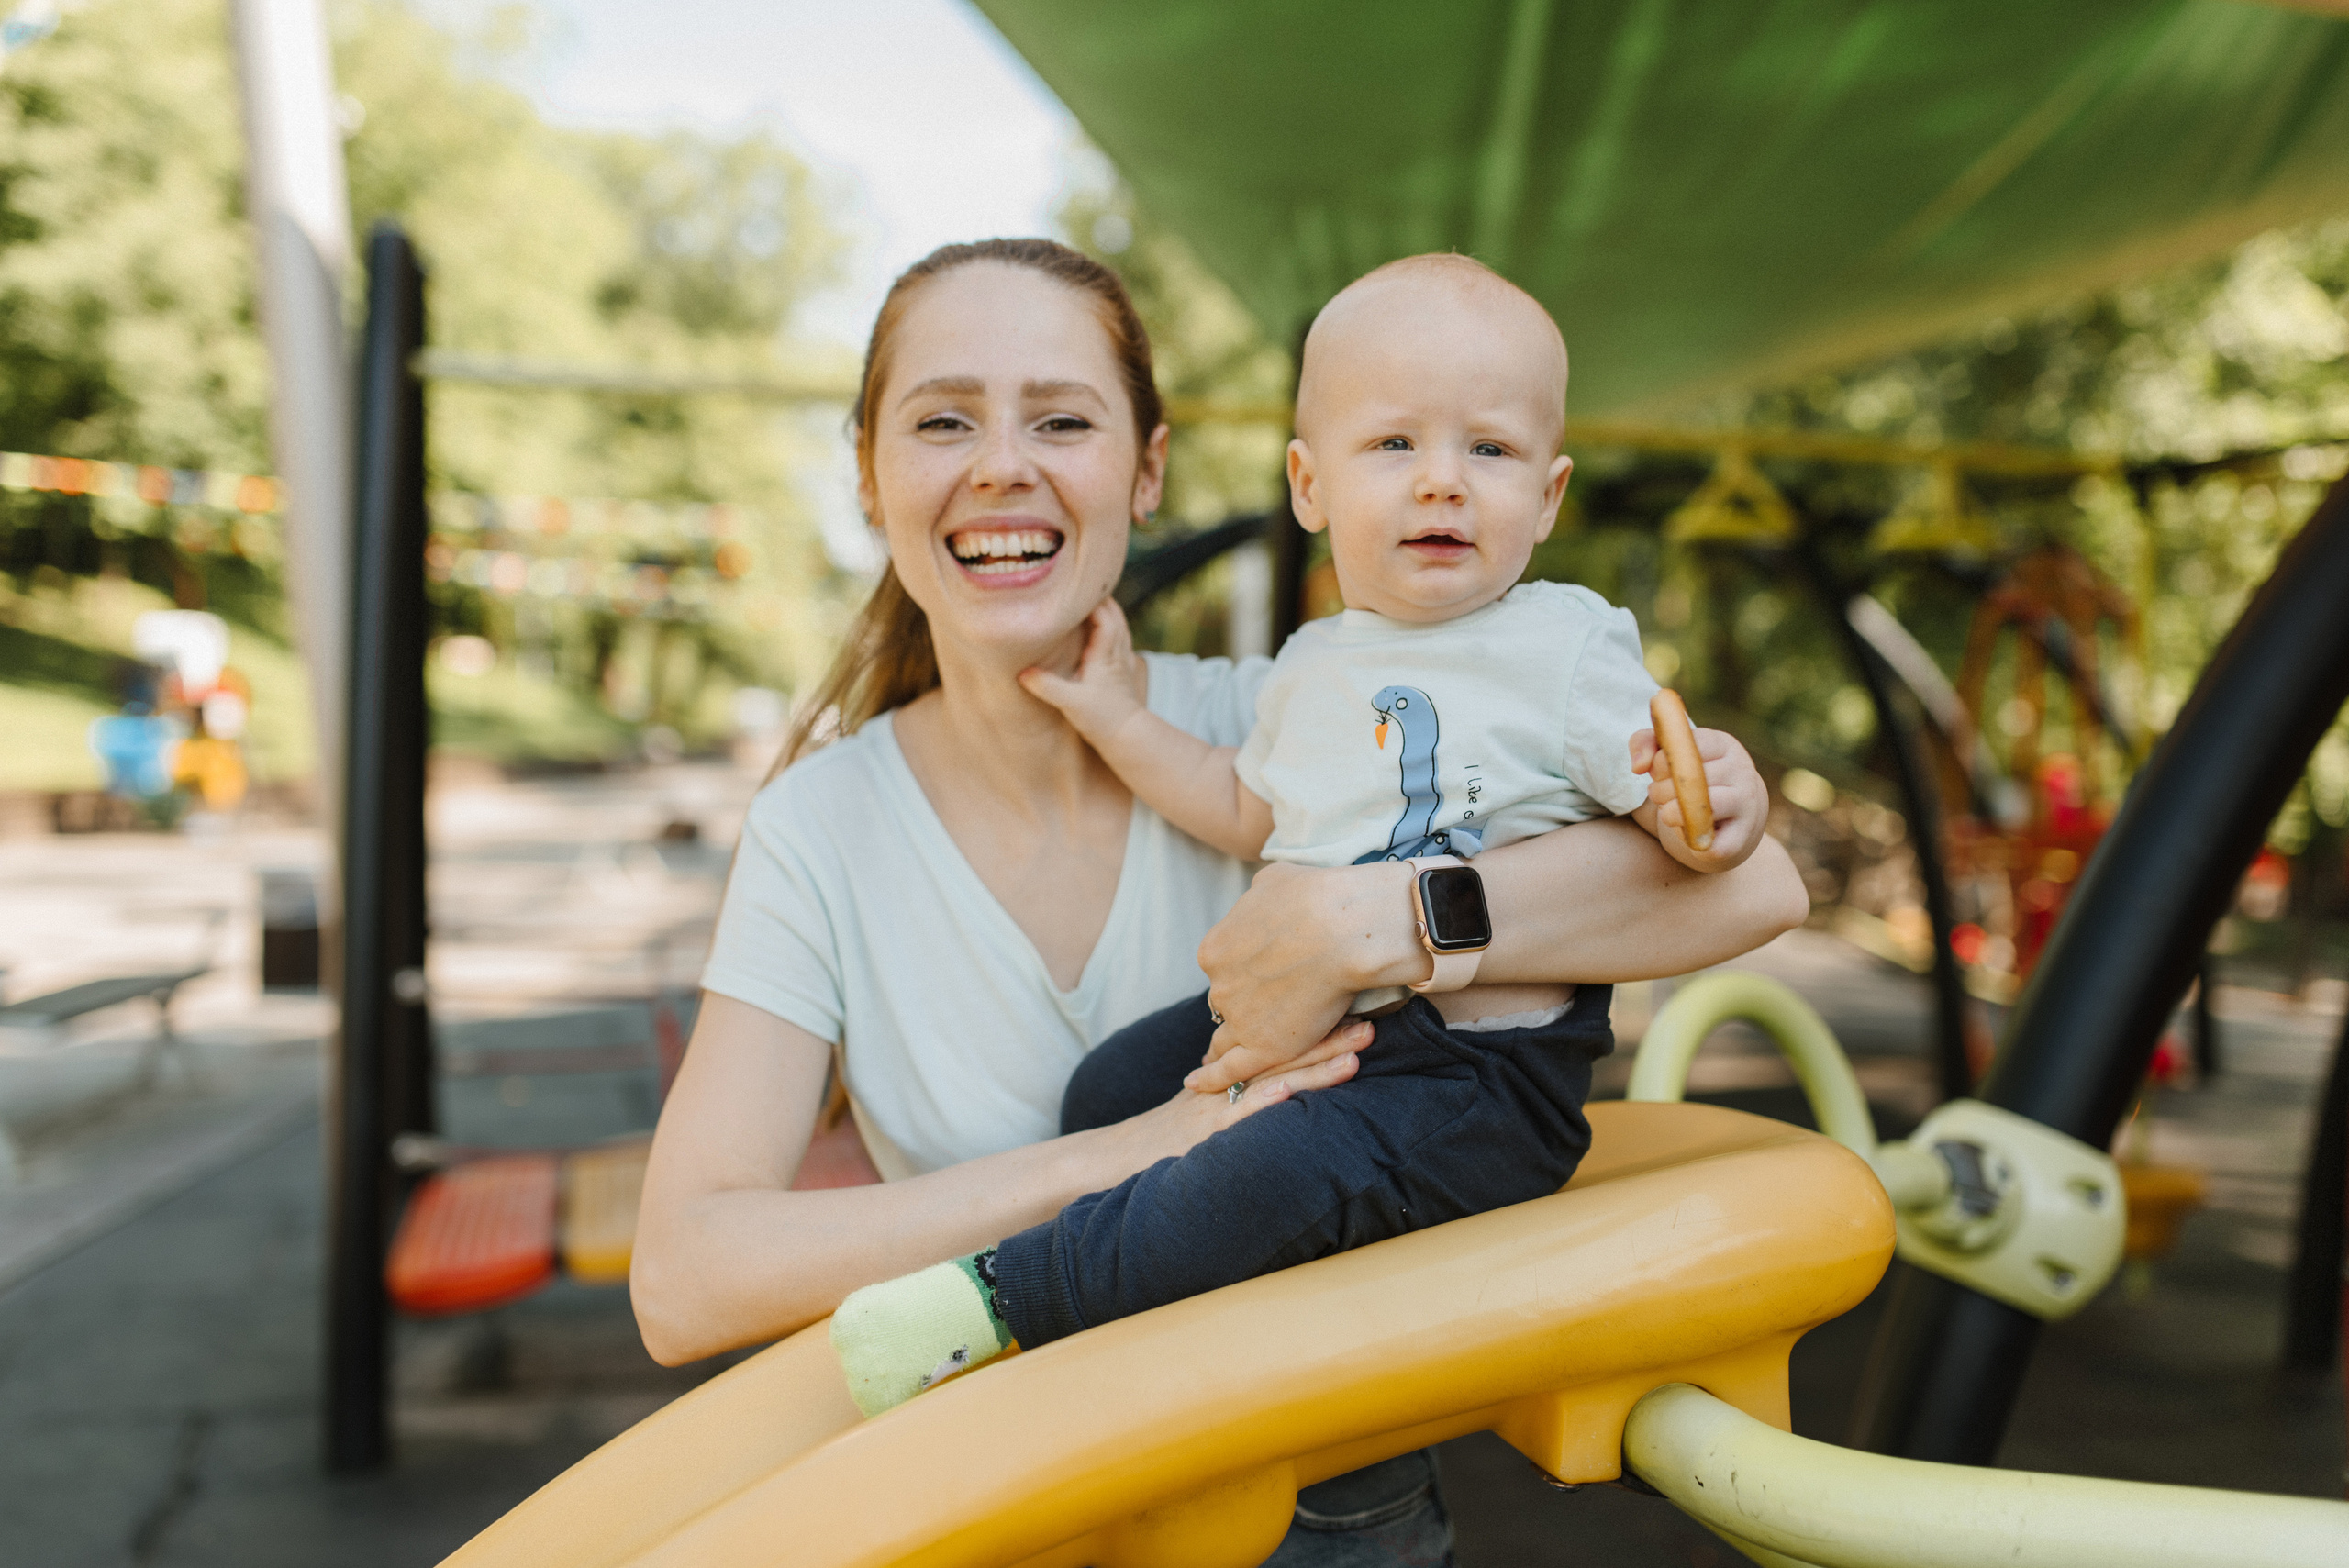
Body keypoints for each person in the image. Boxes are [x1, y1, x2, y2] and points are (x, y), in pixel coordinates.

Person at [631, 238, 1809, 1563]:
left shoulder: (1288, 705)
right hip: (1003, 1505)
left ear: (1146, 469)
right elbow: (684, 1278)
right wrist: (1132, 1153)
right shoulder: (822, 827)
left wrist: (1381, 922)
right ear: (868, 473)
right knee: (1130, 1109)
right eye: (945, 419)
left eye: (1062, 419)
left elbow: (1751, 880)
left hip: (1304, 1502)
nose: (1002, 464)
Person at [829, 254, 1768, 1417]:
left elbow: (1698, 830)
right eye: (1394, 447)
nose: (1442, 485)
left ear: (1550, 494)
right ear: (1308, 484)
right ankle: (1165, 1304)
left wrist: (1723, 805)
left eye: (1489, 450)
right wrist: (1120, 718)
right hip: (1341, 1030)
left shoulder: (1564, 649)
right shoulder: (1316, 663)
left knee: (1259, 1180)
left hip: (1475, 1075)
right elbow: (1244, 805)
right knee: (1111, 1086)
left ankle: (1002, 1300)